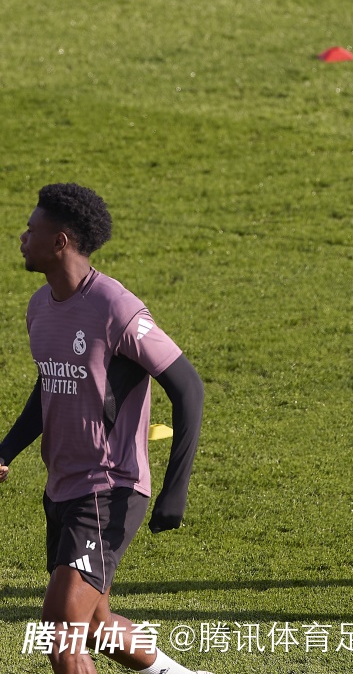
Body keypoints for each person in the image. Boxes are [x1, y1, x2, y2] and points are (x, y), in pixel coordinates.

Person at [0, 184, 211, 674]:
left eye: (31, 229)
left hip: (109, 487)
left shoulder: (116, 307)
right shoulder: (39, 307)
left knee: (61, 634)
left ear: (60, 241)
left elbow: (188, 388)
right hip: (62, 487)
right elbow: (50, 385)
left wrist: (175, 491)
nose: (22, 238)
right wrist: (6, 448)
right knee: (94, 624)